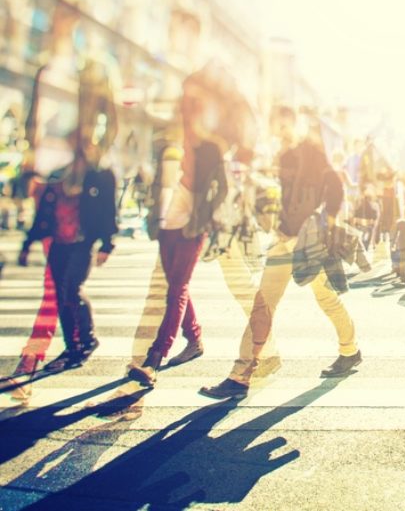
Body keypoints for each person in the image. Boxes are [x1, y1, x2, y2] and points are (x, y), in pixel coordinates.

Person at [199, 110, 361, 400]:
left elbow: (334, 186)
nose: (280, 131)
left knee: (325, 298)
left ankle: (350, 350)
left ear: (294, 124)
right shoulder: (280, 157)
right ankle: (241, 374)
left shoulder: (310, 151)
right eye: (277, 126)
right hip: (283, 240)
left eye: (284, 125)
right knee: (264, 303)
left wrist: (328, 225)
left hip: (308, 243)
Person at [127, 65, 241, 386]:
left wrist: (209, 219)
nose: (187, 108)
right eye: (184, 102)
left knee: (177, 288)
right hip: (167, 221)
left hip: (193, 223)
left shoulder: (212, 146)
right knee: (176, 284)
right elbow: (154, 184)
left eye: (194, 103)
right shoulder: (167, 140)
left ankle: (154, 358)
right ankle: (194, 340)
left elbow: (224, 190)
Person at [18, 144, 117, 372]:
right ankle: (73, 345)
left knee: (72, 289)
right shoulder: (56, 182)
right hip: (59, 245)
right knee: (63, 296)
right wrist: (27, 244)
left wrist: (106, 243)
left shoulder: (97, 178)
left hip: (82, 244)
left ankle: (86, 341)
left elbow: (107, 210)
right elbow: (43, 215)